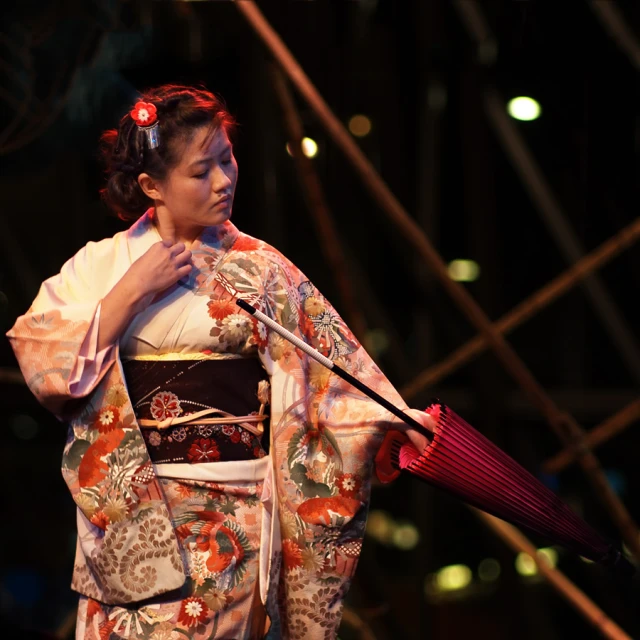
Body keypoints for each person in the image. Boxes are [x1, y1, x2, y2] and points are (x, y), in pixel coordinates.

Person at [7, 84, 432, 639]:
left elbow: (337, 378)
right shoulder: (99, 268)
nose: (225, 180)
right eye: (201, 170)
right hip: (134, 523)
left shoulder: (262, 270)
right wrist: (129, 293)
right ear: (151, 186)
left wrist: (397, 419)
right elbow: (44, 364)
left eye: (227, 160)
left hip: (234, 526)